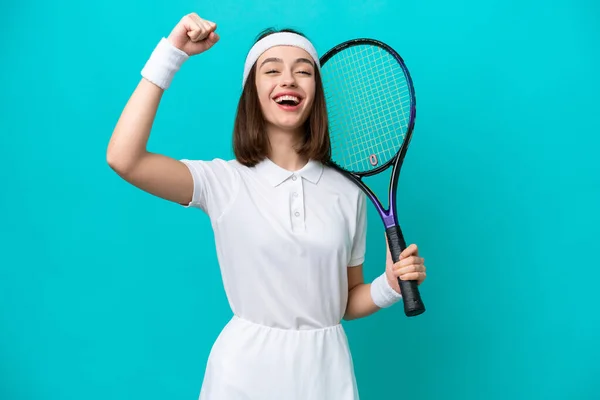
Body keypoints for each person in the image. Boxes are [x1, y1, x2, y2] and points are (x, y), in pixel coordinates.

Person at [107, 12, 427, 400]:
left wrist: (389, 286)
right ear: (252, 93)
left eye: (303, 71)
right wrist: (172, 52)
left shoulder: (348, 191)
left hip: (327, 375)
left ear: (315, 94)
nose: (288, 79)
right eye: (271, 70)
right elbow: (125, 158)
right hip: (242, 376)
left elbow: (344, 302)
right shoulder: (223, 181)